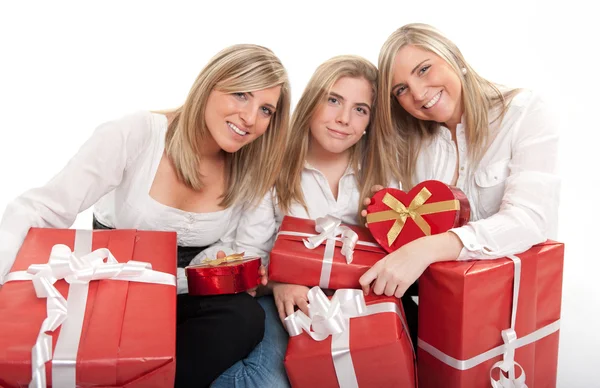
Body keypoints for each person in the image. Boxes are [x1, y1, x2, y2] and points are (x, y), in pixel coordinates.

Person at [0, 44, 291, 388]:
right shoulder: (137, 133)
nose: (250, 118)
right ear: (210, 83)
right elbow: (43, 208)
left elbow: (241, 253)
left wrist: (233, 272)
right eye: (241, 94)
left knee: (244, 317)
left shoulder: (253, 169)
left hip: (180, 299)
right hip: (105, 297)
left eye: (266, 110)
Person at [359, 23, 560, 322]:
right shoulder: (412, 139)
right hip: (442, 305)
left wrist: (427, 249)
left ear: (454, 57)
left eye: (424, 69)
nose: (417, 94)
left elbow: (530, 220)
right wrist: (390, 217)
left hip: (513, 309)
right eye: (401, 89)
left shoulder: (523, 112)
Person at [207, 55, 381, 388]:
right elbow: (248, 257)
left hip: (358, 305)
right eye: (333, 100)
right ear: (312, 102)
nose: (343, 119)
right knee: (265, 382)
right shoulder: (276, 169)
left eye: (360, 109)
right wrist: (280, 282)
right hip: (283, 301)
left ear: (369, 123)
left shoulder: (379, 175)